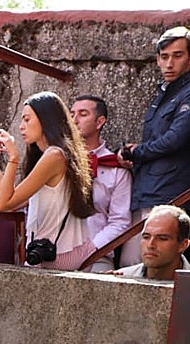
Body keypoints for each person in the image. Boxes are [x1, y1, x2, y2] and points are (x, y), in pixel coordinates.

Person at [119, 27, 190, 266]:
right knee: (132, 266)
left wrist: (137, 152)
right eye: (164, 56)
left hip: (170, 191)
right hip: (148, 188)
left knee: (155, 266)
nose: (169, 63)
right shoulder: (165, 92)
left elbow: (176, 139)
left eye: (177, 55)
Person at [0, 90, 94, 270]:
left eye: (27, 119)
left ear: (46, 120)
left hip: (59, 255)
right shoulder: (54, 154)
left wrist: (13, 158)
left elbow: (4, 204)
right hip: (56, 252)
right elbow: (12, 202)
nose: (21, 126)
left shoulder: (54, 155)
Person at [70, 95, 132, 271]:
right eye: (72, 114)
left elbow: (120, 221)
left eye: (83, 114)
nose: (74, 120)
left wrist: (90, 249)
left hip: (97, 256)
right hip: (56, 252)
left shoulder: (115, 168)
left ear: (100, 122)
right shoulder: (57, 162)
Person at [114, 205, 190, 280]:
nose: (150, 245)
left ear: (183, 245)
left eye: (162, 238)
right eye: (146, 237)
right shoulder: (122, 278)